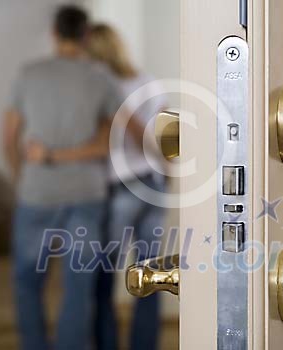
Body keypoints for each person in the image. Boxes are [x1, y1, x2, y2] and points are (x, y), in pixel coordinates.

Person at [2, 6, 122, 350]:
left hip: (36, 192)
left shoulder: (28, 74)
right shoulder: (100, 79)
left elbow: (8, 138)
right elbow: (108, 143)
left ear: (54, 33)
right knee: (79, 287)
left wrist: (23, 176)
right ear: (86, 36)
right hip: (87, 194)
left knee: (27, 284)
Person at [87, 24, 169, 350]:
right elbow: (165, 141)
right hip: (154, 185)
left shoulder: (100, 89)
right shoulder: (148, 82)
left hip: (121, 188)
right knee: (149, 277)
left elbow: (133, 142)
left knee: (103, 278)